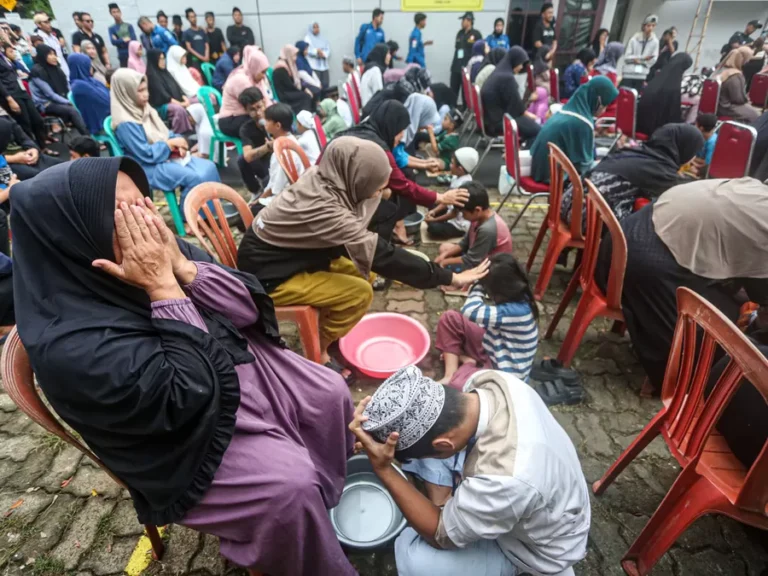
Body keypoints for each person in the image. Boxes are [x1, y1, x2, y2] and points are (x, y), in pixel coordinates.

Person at [12, 156, 358, 576]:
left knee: (328, 393)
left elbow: (247, 309)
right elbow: (181, 396)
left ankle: (315, 514)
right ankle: (303, 552)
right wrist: (162, 288)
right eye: (124, 215)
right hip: (177, 438)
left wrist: (183, 269)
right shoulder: (68, 343)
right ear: (76, 236)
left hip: (223, 371)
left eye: (143, 203)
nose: (147, 223)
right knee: (289, 487)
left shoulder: (158, 247)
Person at [238, 137, 488, 374]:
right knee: (359, 292)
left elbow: (368, 240)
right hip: (268, 276)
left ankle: (329, 325)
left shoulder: (325, 175)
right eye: (376, 183)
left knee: (362, 272)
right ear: (356, 176)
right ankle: (318, 352)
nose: (379, 190)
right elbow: (384, 257)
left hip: (292, 254)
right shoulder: (328, 211)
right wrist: (449, 278)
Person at [350, 365, 590, 576]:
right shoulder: (495, 382)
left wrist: (384, 469)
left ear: (445, 445)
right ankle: (459, 510)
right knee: (425, 452)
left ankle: (517, 569)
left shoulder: (505, 479)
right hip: (541, 485)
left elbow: (440, 537)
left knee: (416, 560)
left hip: (535, 549)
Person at [596, 177, 768, 394]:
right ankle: (673, 379)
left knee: (730, 304)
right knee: (719, 333)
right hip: (637, 264)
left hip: (619, 243)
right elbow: (761, 294)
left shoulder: (749, 187)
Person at [336, 100, 470, 246]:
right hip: (338, 205)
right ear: (391, 125)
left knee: (387, 191)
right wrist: (441, 197)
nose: (402, 136)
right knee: (388, 202)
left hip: (339, 194)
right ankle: (376, 245)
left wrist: (425, 165)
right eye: (400, 131)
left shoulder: (365, 131)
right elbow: (403, 185)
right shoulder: (378, 148)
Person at [110, 68, 220, 213]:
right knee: (193, 177)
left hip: (162, 157)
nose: (146, 95)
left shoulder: (145, 109)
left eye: (145, 89)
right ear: (126, 92)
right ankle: (189, 218)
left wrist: (178, 142)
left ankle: (213, 212)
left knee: (208, 167)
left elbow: (165, 133)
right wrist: (169, 145)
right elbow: (144, 153)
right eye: (140, 91)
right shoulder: (126, 123)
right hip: (145, 166)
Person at [561, 123, 703, 227]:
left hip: (568, 204)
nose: (693, 157)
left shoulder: (640, 154)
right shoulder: (658, 169)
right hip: (584, 218)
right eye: (693, 152)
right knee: (652, 226)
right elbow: (681, 192)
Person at [437, 253, 538, 388]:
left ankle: (468, 363)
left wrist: (477, 283)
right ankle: (450, 375)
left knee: (459, 385)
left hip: (503, 373)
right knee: (450, 318)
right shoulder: (519, 294)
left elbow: (470, 311)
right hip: (493, 347)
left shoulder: (516, 311)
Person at [529, 76, 618, 184]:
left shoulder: (566, 111)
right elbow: (585, 168)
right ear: (597, 100)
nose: (604, 110)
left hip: (540, 170)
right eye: (605, 105)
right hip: (555, 178)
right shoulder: (582, 123)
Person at [434, 181, 513, 272]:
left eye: (463, 213)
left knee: (450, 280)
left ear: (477, 210)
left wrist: (444, 262)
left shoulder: (487, 229)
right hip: (478, 256)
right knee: (444, 248)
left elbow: (471, 260)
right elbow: (465, 243)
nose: (463, 216)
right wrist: (444, 255)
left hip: (490, 268)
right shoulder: (478, 218)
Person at [481, 46, 540, 143]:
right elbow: (516, 108)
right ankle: (524, 152)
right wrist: (535, 117)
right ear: (515, 60)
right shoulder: (507, 78)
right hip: (500, 122)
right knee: (538, 130)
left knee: (531, 125)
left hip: (491, 119)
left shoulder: (499, 72)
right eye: (521, 63)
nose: (521, 67)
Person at [28, 45, 88, 136]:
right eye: (50, 54)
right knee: (72, 110)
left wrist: (72, 98)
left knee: (84, 102)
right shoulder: (37, 72)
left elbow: (67, 84)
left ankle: (94, 131)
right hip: (46, 104)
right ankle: (88, 137)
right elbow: (50, 94)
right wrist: (68, 102)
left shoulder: (56, 68)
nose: (54, 57)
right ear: (43, 56)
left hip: (60, 99)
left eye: (54, 54)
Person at [145, 49, 202, 138]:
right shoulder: (152, 75)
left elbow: (177, 88)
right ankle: (182, 134)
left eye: (164, 59)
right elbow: (164, 96)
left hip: (175, 100)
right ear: (154, 60)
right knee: (178, 109)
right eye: (160, 59)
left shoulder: (165, 72)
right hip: (162, 106)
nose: (163, 62)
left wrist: (185, 99)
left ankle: (197, 129)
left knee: (197, 102)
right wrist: (181, 104)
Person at [0, 45, 48, 147]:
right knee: (25, 123)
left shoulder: (3, 55)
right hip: (10, 94)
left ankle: (42, 147)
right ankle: (34, 149)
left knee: (37, 119)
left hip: (20, 89)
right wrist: (9, 99)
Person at [219, 46, 272, 138]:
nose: (264, 76)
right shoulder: (241, 80)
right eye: (262, 72)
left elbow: (265, 100)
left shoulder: (255, 77)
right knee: (260, 126)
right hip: (231, 120)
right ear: (254, 67)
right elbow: (254, 107)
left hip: (248, 114)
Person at [636, 52, 692, 136]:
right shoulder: (673, 85)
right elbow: (673, 114)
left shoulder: (656, 80)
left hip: (640, 124)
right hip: (656, 131)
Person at [425, 148, 477, 240]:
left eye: (452, 163)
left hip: (458, 224)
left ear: (460, 169)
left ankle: (437, 223)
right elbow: (446, 201)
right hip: (450, 212)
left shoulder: (464, 187)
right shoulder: (456, 178)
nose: (450, 165)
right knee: (433, 201)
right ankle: (436, 220)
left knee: (433, 229)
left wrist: (434, 219)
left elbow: (454, 213)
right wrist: (434, 211)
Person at [260, 103, 303, 201]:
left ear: (278, 125)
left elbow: (276, 188)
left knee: (254, 211)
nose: (264, 122)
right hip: (295, 191)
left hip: (287, 198)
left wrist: (258, 201)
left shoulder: (281, 152)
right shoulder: (292, 140)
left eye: (267, 120)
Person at [0, 109, 60, 178]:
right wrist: (13, 158)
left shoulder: (3, 116)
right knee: (40, 177)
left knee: (61, 166)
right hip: (7, 161)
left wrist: (33, 148)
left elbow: (23, 137)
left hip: (25, 154)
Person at [236, 87, 270, 196]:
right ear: (246, 111)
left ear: (264, 102)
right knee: (242, 160)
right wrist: (268, 147)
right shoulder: (246, 129)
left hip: (280, 159)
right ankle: (255, 191)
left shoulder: (275, 116)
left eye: (259, 107)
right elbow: (248, 156)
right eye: (252, 110)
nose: (258, 112)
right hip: (262, 161)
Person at [68, 53, 110, 134]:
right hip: (102, 125)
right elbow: (105, 102)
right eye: (88, 65)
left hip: (108, 117)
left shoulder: (90, 80)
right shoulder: (79, 86)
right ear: (80, 66)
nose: (91, 68)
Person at [716, 46, 760, 123]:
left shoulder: (721, 70)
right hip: (727, 108)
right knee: (754, 114)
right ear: (742, 60)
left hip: (718, 106)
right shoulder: (735, 76)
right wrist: (747, 100)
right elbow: (738, 99)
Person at [272, 45, 313, 114]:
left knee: (310, 92)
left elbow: (294, 82)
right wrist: (302, 91)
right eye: (294, 55)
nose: (295, 58)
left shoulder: (288, 64)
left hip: (289, 91)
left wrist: (304, 89)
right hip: (284, 94)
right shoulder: (281, 68)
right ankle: (304, 119)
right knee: (305, 97)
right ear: (288, 55)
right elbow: (289, 86)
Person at [622, 14, 659, 90]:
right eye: (648, 25)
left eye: (653, 26)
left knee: (636, 96)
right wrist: (642, 58)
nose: (650, 28)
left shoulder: (655, 41)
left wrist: (641, 61)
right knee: (625, 95)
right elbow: (627, 56)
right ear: (644, 26)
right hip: (628, 73)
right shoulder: (634, 39)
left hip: (642, 74)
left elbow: (653, 59)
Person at [450, 12, 482, 98]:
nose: (461, 23)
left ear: (469, 21)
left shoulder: (476, 34)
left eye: (463, 20)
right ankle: (453, 109)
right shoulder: (460, 33)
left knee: (466, 94)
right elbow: (457, 49)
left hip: (468, 69)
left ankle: (466, 110)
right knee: (453, 92)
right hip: (456, 67)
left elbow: (479, 52)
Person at [32, 13, 70, 78]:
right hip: (53, 72)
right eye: (46, 22)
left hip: (64, 69)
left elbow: (60, 55)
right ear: (38, 24)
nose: (49, 24)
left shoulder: (53, 37)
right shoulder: (38, 39)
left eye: (49, 22)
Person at [108, 3, 136, 68]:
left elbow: (133, 39)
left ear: (120, 12)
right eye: (114, 12)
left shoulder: (128, 26)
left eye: (117, 11)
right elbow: (113, 42)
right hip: (122, 54)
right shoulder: (111, 28)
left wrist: (119, 40)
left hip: (132, 52)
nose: (116, 14)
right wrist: (125, 39)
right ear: (111, 14)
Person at [304, 22, 331, 89]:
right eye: (314, 27)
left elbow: (328, 49)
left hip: (324, 66)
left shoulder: (323, 38)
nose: (316, 29)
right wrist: (317, 52)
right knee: (317, 86)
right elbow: (307, 50)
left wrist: (323, 54)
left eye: (317, 27)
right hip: (314, 66)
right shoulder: (307, 38)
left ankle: (326, 99)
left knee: (325, 84)